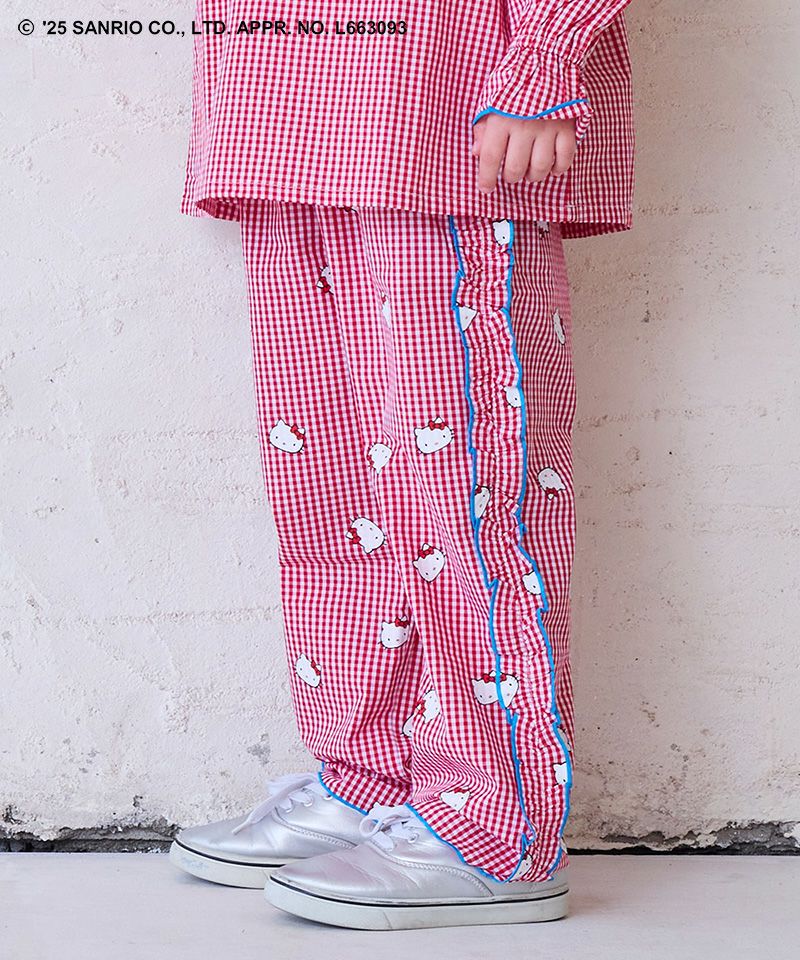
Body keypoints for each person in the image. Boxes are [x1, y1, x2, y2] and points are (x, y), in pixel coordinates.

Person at [169, 0, 635, 930]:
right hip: (284, 105)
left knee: (463, 498)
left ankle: (494, 828)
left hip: (445, 103)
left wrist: (540, 59)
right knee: (332, 498)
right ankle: (372, 778)